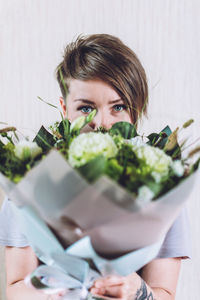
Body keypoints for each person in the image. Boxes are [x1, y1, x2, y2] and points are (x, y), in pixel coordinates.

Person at [0, 34, 191, 300]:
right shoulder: (31, 177)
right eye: (86, 108)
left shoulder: (162, 183)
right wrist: (62, 293)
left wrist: (137, 291)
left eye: (118, 107)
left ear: (136, 110)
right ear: (64, 108)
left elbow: (165, 293)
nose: (101, 122)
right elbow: (15, 287)